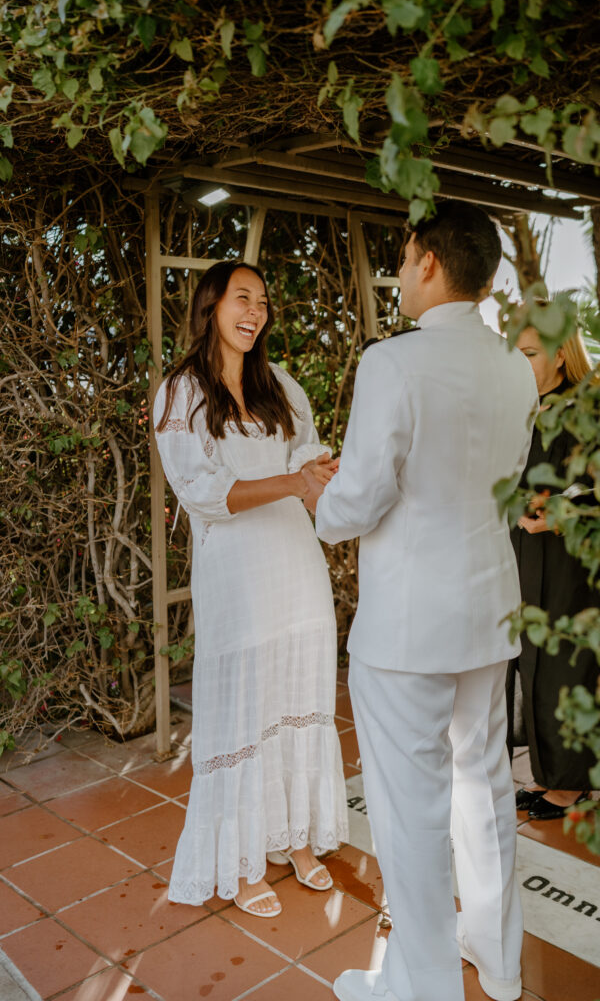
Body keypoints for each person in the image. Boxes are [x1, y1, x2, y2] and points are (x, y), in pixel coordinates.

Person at [302, 202, 538, 1001]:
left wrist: (317, 500)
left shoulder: (391, 364)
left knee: (410, 812)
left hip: (406, 627)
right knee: (485, 789)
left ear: (430, 262)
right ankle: (500, 969)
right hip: (488, 610)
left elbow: (361, 498)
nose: (399, 273)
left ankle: (423, 988)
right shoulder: (515, 364)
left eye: (404, 259)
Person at [153, 260, 348, 917]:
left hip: (296, 566)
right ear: (211, 305)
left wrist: (322, 473)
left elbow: (306, 459)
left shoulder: (281, 385)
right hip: (237, 577)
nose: (254, 311)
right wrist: (294, 483)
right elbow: (202, 494)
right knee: (245, 709)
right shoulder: (180, 393)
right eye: (242, 298)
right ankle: (240, 860)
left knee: (297, 696)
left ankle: (293, 839)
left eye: (262, 301)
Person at [508, 326, 600, 820]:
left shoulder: (598, 408)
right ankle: (556, 777)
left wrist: (569, 513)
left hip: (581, 564)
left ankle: (572, 786)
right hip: (529, 555)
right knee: (539, 668)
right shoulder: (523, 409)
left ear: (562, 355)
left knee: (574, 668)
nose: (516, 360)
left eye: (528, 352)